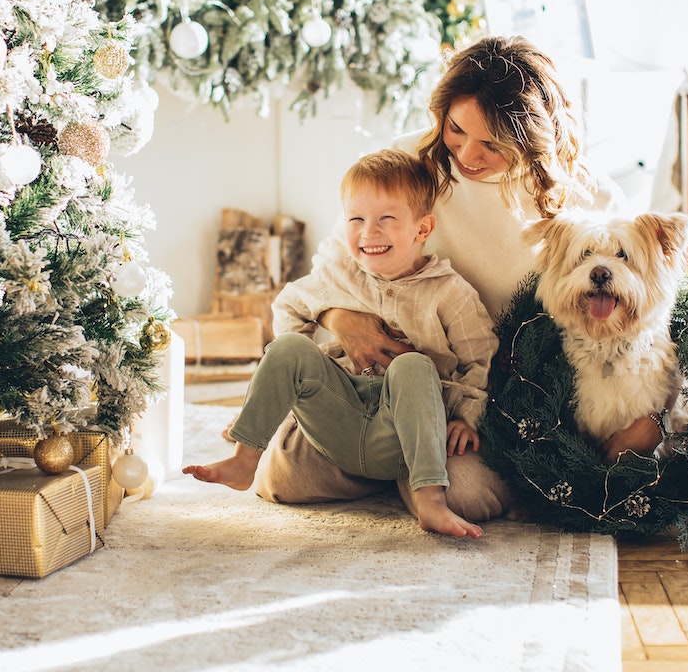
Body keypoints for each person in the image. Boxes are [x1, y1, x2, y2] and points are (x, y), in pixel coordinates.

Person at [250, 34, 664, 521]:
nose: (468, 154)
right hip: (380, 383)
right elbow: (335, 262)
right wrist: (339, 317)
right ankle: (391, 457)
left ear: (534, 137)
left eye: (492, 143)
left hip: (482, 395)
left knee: (467, 496)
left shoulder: (584, 196)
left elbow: (647, 291)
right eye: (456, 129)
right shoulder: (409, 162)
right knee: (281, 480)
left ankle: (409, 468)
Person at [183, 149, 498, 538]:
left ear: (422, 229)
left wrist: (467, 416)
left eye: (387, 219)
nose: (369, 232)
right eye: (356, 219)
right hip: (342, 412)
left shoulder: (449, 292)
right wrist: (296, 384)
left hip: (405, 429)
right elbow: (287, 307)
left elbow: (480, 357)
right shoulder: (337, 275)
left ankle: (429, 500)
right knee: (287, 350)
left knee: (413, 365)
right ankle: (244, 458)